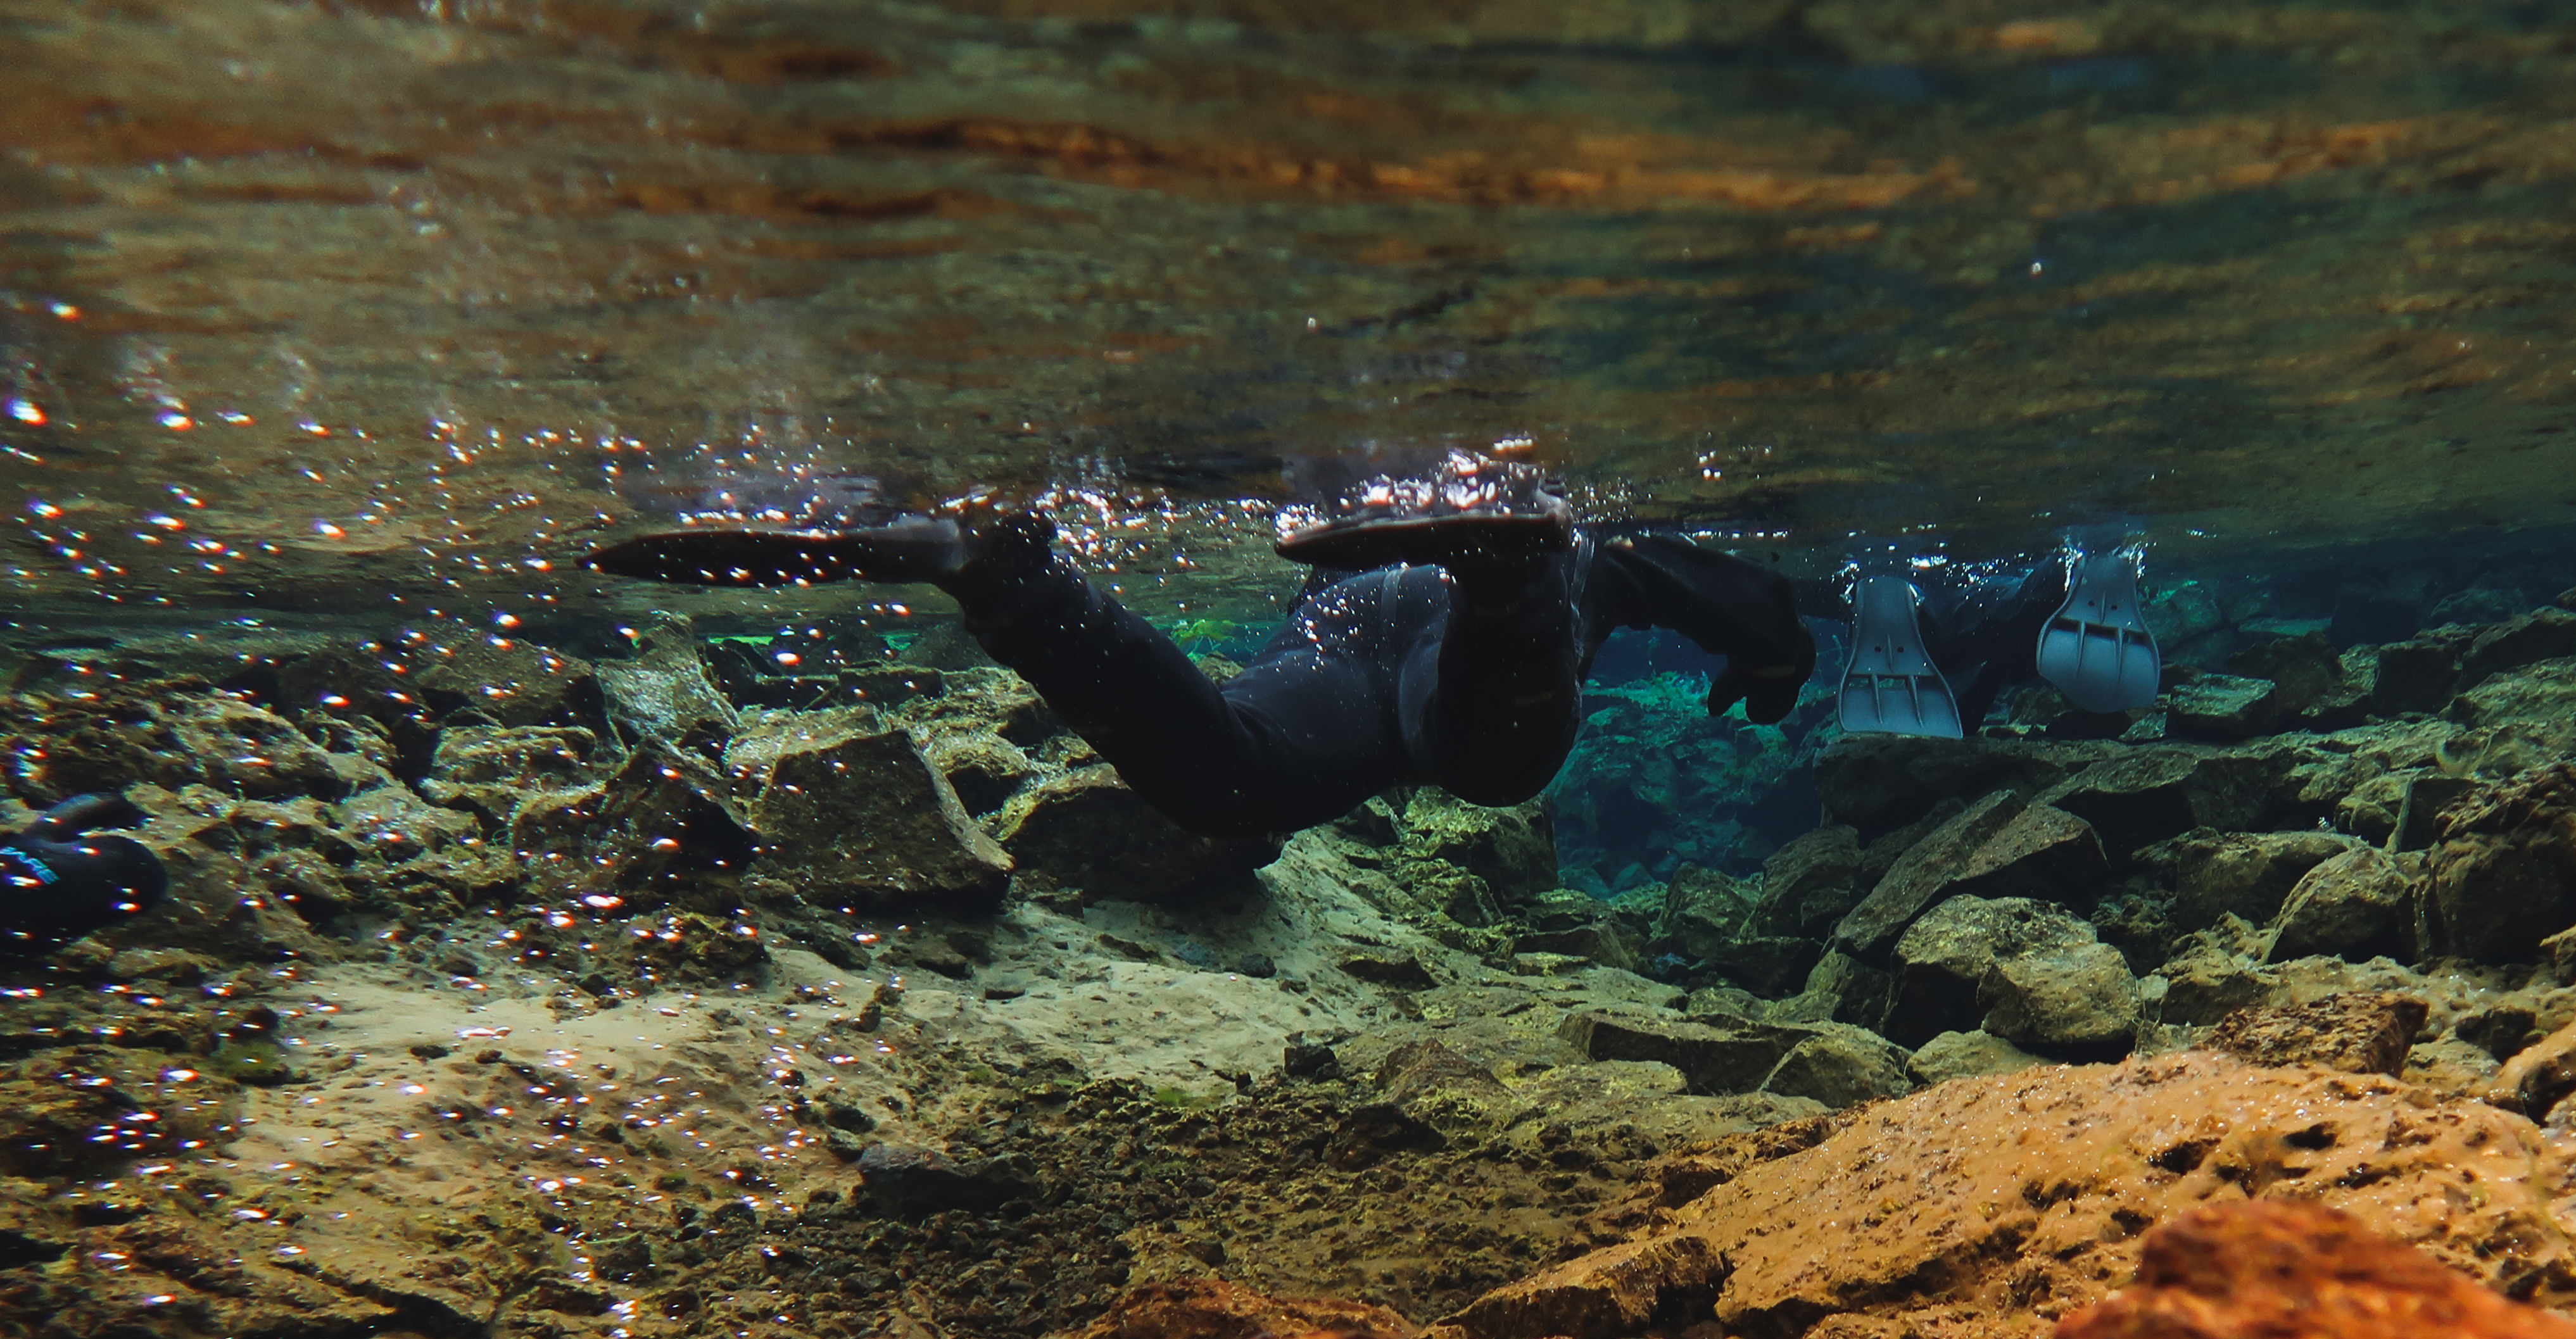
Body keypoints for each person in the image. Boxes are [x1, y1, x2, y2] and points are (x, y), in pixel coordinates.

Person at [586, 481, 2157, 836]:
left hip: (1346, 633)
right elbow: (1744, 608)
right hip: (1474, 619)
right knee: (1484, 761)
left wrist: (1758, 652)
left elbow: (1750, 614)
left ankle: (1005, 579)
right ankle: (1516, 575)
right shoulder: (1672, 550)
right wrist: (1759, 662)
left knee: (1230, 784)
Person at [0, 791, 168, 961]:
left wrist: (122, 804)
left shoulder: (32, 844)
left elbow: (82, 805)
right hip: (23, 940)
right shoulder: (59, 921)